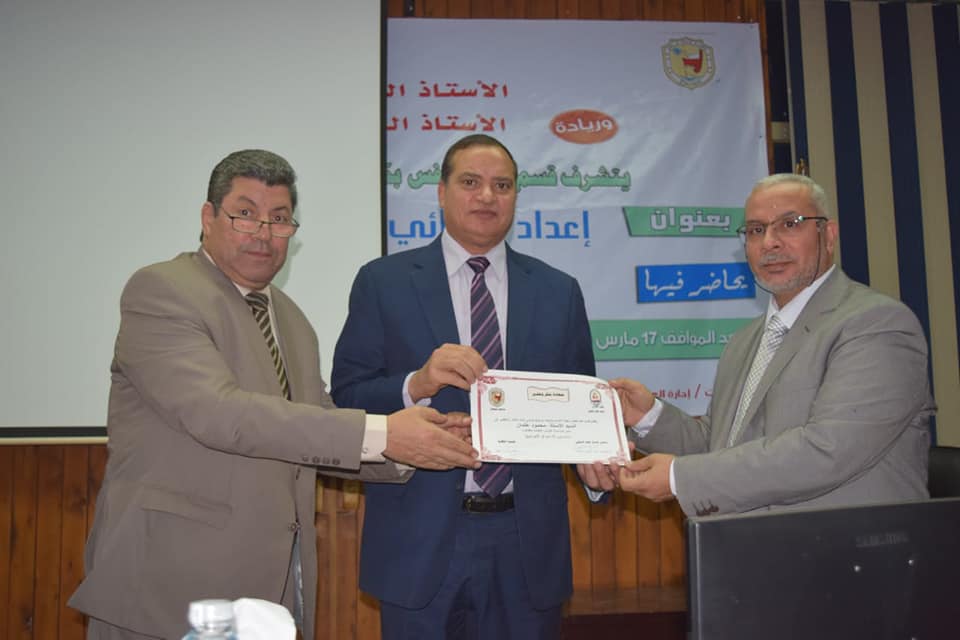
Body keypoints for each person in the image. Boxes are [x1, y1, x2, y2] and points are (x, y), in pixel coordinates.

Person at [68, 149, 479, 640]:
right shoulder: (162, 290)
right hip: (167, 590)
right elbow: (219, 413)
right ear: (208, 217)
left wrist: (419, 444)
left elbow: (316, 423)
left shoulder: (291, 319)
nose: (263, 233)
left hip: (268, 594)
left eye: (279, 219)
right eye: (245, 214)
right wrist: (384, 432)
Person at [331, 134, 596, 639]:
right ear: (441, 192)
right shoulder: (383, 282)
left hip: (525, 544)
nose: (487, 196)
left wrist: (598, 463)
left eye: (503, 185)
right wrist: (416, 384)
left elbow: (583, 412)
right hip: (418, 540)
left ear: (516, 197)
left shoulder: (558, 291)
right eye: (471, 182)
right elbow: (347, 396)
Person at [585, 173, 934, 516]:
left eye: (790, 224)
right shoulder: (745, 341)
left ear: (828, 235)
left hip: (844, 548)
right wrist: (648, 416)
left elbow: (828, 450)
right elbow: (720, 447)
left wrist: (679, 478)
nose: (770, 242)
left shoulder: (876, 324)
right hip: (748, 547)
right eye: (755, 230)